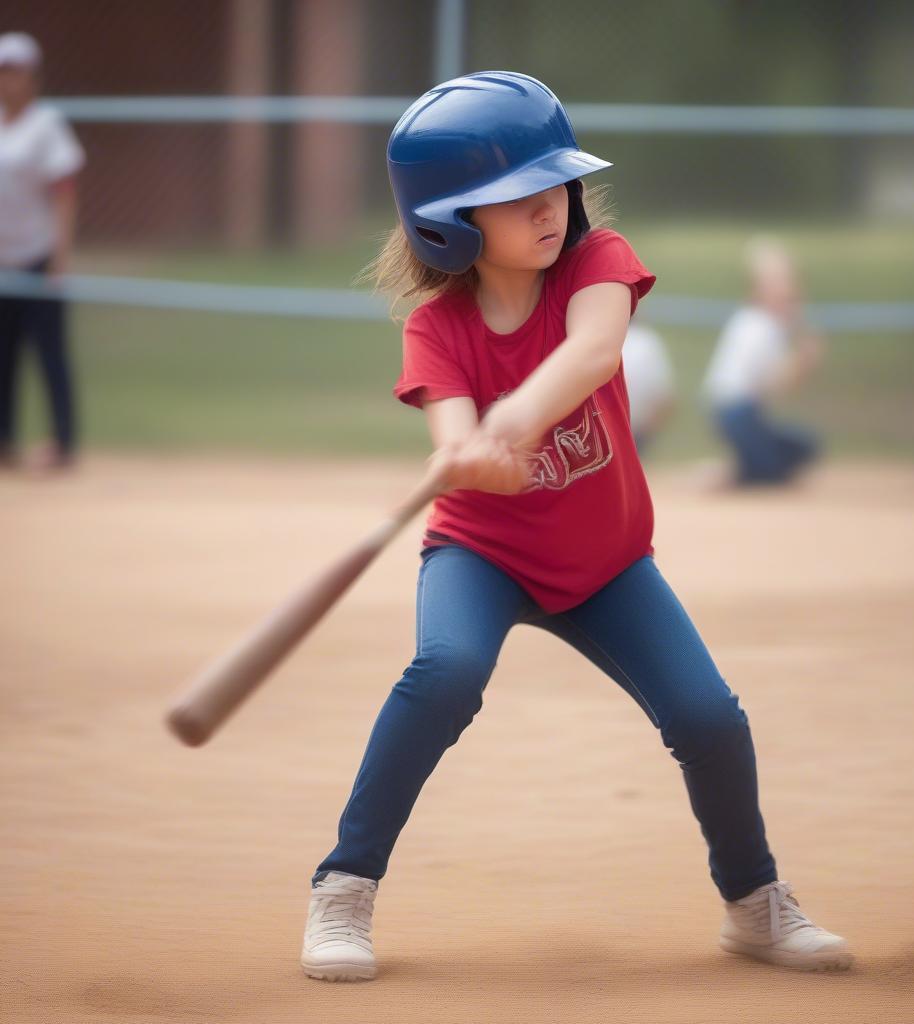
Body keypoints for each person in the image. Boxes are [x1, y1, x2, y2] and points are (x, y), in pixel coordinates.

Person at [301, 72, 851, 982]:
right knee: (445, 673)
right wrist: (469, 447)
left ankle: (755, 904)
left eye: (553, 183)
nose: (549, 207)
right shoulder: (437, 329)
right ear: (450, 222)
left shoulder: (599, 263)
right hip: (483, 552)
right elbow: (453, 432)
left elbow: (595, 351)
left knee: (708, 716)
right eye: (516, 197)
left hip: (605, 563)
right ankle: (342, 890)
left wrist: (508, 422)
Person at [0, 31, 84, 471]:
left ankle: (63, 441)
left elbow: (64, 190)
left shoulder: (46, 124)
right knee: (3, 355)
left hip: (37, 252)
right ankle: (4, 442)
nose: (7, 80)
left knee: (49, 351)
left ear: (33, 76)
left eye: (15, 71)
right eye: (2, 71)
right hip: (1, 260)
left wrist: (60, 256)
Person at [701, 240, 823, 487]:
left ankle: (742, 470)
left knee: (802, 448)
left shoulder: (762, 323)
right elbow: (774, 383)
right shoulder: (759, 326)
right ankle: (737, 473)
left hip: (740, 410)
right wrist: (803, 358)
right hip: (736, 410)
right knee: (770, 474)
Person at [621, 319, 676, 454]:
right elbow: (665, 396)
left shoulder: (588, 336)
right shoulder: (648, 340)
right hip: (636, 424)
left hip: (601, 424)